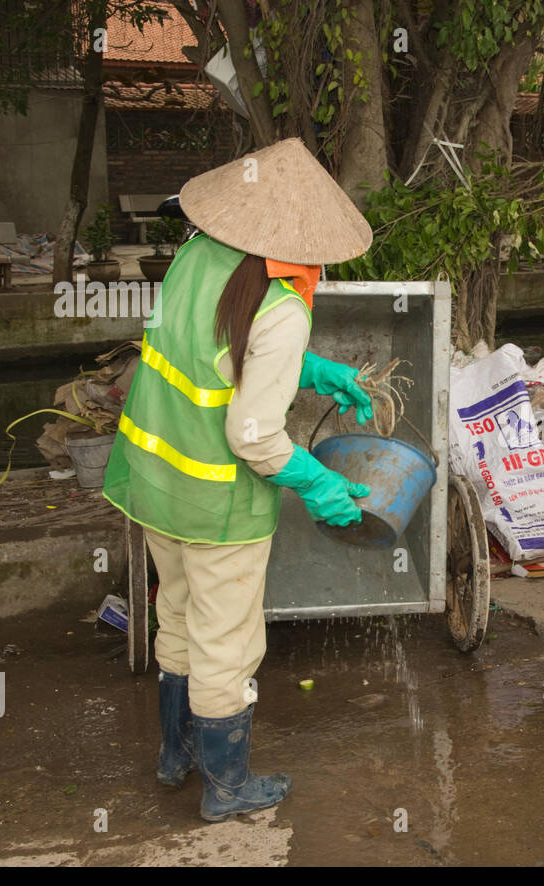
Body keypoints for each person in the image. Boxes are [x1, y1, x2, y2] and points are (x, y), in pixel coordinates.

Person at [102, 138, 376, 822]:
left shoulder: (196, 256)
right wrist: (318, 483)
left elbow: (213, 351)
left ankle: (177, 757)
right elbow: (253, 433)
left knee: (176, 617)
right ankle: (226, 787)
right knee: (227, 643)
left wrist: (310, 370)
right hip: (217, 504)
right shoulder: (283, 306)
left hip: (152, 482)